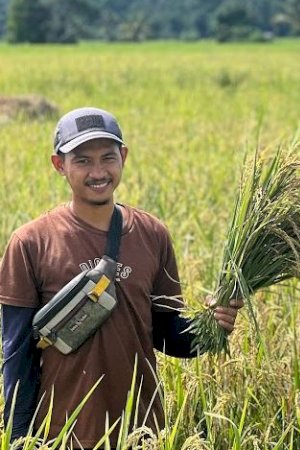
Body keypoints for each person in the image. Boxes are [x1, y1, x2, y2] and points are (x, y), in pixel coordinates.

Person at [0, 107, 243, 448]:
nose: (98, 171)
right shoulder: (31, 242)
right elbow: (16, 355)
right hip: (61, 434)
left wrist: (212, 325)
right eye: (82, 160)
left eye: (107, 158)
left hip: (140, 431)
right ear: (59, 165)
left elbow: (167, 335)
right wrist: (18, 439)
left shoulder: (152, 234)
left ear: (123, 157)